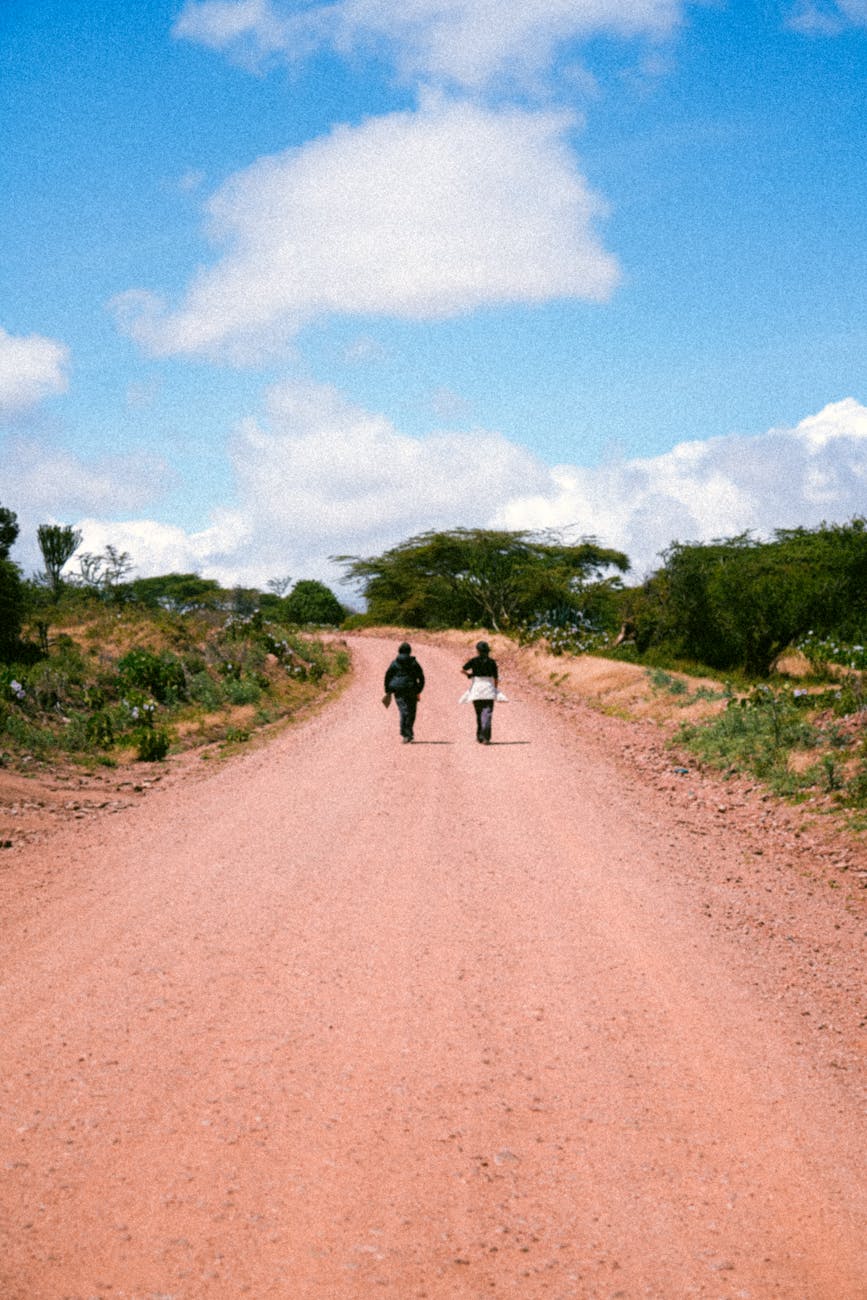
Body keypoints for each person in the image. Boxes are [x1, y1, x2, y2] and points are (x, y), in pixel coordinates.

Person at [384, 642, 425, 743]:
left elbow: (388, 676)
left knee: (404, 711)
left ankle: (406, 734)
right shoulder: (414, 663)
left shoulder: (394, 663)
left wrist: (388, 690)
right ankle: (408, 733)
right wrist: (418, 690)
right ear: (410, 652)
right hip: (412, 690)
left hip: (398, 690)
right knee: (411, 712)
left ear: (399, 651)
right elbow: (421, 677)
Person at [461, 640, 500, 744]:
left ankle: (479, 736)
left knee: (478, 713)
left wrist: (470, 675)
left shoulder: (474, 661)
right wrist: (495, 689)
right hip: (488, 688)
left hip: (477, 688)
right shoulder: (492, 662)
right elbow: (496, 678)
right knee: (487, 712)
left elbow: (462, 669)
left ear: (477, 651)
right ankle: (486, 736)